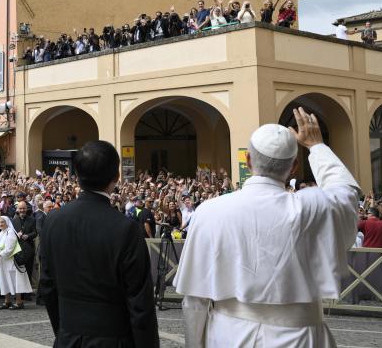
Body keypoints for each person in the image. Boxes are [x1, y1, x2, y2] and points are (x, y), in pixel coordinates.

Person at [175, 108, 360, 347]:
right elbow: (347, 194)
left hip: (229, 336)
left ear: (248, 160)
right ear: (294, 167)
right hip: (302, 338)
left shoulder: (210, 211)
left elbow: (195, 300)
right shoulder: (313, 207)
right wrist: (317, 146)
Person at [40, 140, 159, 347]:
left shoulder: (53, 220)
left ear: (76, 175)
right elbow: (140, 303)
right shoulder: (125, 228)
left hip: (68, 338)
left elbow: (48, 286)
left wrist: (64, 331)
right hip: (114, 340)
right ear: (116, 176)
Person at [0, 215, 32, 310]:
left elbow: (9, 249)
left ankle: (19, 302)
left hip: (12, 261)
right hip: (3, 261)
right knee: (5, 280)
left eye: (2, 222)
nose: (0, 224)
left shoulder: (11, 232)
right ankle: (7, 301)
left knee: (15, 280)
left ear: (7, 222)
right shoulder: (1, 233)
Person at [12, 201, 37, 285]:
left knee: (29, 270)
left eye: (23, 208)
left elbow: (35, 232)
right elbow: (10, 234)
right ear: (17, 209)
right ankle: (19, 293)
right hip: (18, 250)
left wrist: (28, 236)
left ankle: (27, 293)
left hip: (29, 249)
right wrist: (16, 235)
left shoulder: (32, 219)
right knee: (19, 271)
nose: (22, 210)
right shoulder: (13, 220)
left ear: (26, 209)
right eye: (20, 208)